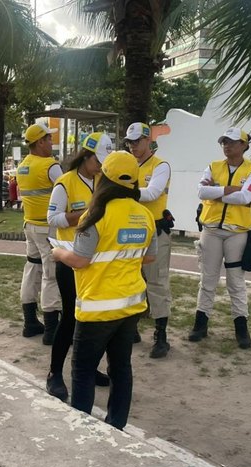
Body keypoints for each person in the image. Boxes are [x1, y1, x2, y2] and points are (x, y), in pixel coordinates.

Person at [52, 150, 157, 430]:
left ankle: (82, 430)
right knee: (121, 369)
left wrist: (59, 252)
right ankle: (116, 426)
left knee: (83, 371)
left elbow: (80, 260)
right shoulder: (145, 215)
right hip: (130, 308)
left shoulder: (95, 214)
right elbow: (149, 257)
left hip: (97, 310)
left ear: (105, 178)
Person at [45, 132, 112, 401]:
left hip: (95, 261)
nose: (101, 166)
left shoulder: (102, 180)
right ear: (85, 156)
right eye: (98, 160)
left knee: (94, 318)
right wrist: (84, 217)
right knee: (71, 319)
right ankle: (54, 373)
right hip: (70, 259)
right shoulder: (65, 183)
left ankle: (89, 367)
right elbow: (53, 218)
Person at [189, 127, 251, 349]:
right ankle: (200, 325)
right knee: (207, 279)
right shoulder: (213, 166)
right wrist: (230, 189)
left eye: (231, 142)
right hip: (211, 229)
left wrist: (217, 191)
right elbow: (202, 192)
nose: (226, 146)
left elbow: (246, 196)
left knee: (235, 282)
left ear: (243, 145)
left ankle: (241, 328)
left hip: (237, 232)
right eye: (224, 142)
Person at [123, 122, 173, 358]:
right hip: (131, 229)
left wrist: (121, 191)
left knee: (156, 280)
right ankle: (131, 327)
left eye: (137, 141)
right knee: (131, 279)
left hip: (154, 229)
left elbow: (153, 193)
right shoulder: (128, 163)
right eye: (130, 142)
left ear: (148, 140)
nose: (133, 146)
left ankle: (161, 335)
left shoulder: (161, 165)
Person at [17, 122, 63, 341]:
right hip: (48, 228)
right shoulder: (50, 165)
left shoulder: (22, 165)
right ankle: (51, 329)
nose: (51, 142)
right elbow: (66, 191)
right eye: (49, 139)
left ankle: (29, 321)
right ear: (40, 142)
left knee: (32, 269)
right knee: (50, 274)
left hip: (30, 226)